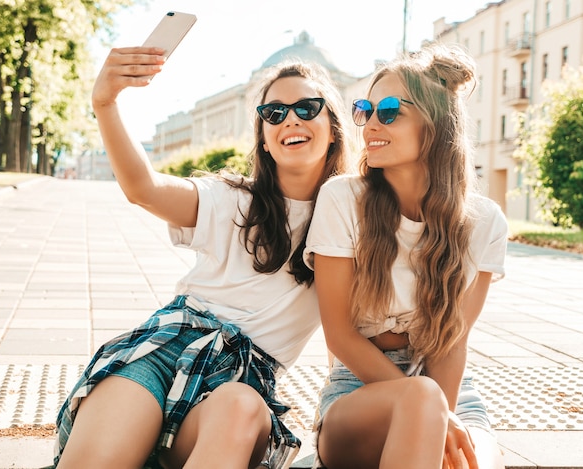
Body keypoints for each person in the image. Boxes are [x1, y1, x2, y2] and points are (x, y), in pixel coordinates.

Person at [53, 45, 351, 469]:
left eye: (307, 107)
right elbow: (144, 189)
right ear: (264, 140)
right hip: (164, 350)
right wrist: (105, 103)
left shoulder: (352, 217)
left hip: (239, 384)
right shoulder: (233, 200)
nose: (291, 119)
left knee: (241, 406)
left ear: (334, 127)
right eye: (274, 113)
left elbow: (349, 328)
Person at [303, 43, 508, 469]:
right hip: (358, 391)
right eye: (365, 110)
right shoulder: (343, 199)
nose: (371, 124)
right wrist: (430, 408)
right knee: (421, 398)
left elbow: (451, 344)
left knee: (473, 463)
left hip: (450, 390)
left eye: (390, 111)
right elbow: (339, 335)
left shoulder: (484, 222)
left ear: (435, 126)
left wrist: (442, 418)